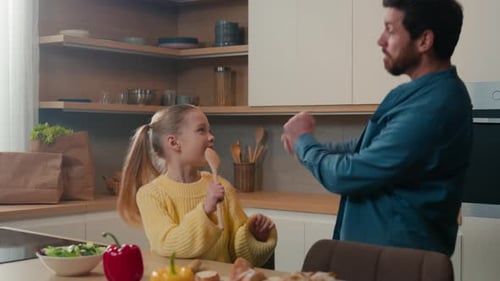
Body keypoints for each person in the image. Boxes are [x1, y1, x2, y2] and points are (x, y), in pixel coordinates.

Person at [281, 0, 472, 256]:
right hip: (380, 260)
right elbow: (364, 147)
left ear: (424, 41)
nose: (380, 40)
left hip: (400, 266)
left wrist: (305, 143)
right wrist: (306, 144)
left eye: (390, 30)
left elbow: (348, 174)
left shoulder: (435, 107)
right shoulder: (414, 94)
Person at [118, 104, 277, 266]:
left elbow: (240, 257)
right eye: (201, 130)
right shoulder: (150, 194)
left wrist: (255, 236)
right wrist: (206, 210)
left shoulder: (222, 186)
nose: (211, 137)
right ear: (174, 143)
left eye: (210, 131)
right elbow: (167, 245)